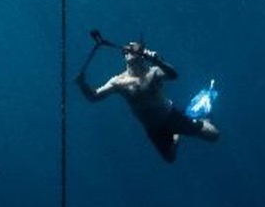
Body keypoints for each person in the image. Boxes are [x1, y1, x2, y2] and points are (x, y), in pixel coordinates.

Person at [76, 37, 219, 163]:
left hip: (171, 117)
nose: (129, 50)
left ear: (142, 54)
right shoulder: (118, 82)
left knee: (214, 136)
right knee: (170, 158)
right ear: (124, 55)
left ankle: (204, 120)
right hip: (153, 128)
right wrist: (82, 85)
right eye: (127, 49)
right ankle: (176, 135)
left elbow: (173, 75)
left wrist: (157, 60)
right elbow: (94, 96)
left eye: (134, 48)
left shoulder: (153, 72)